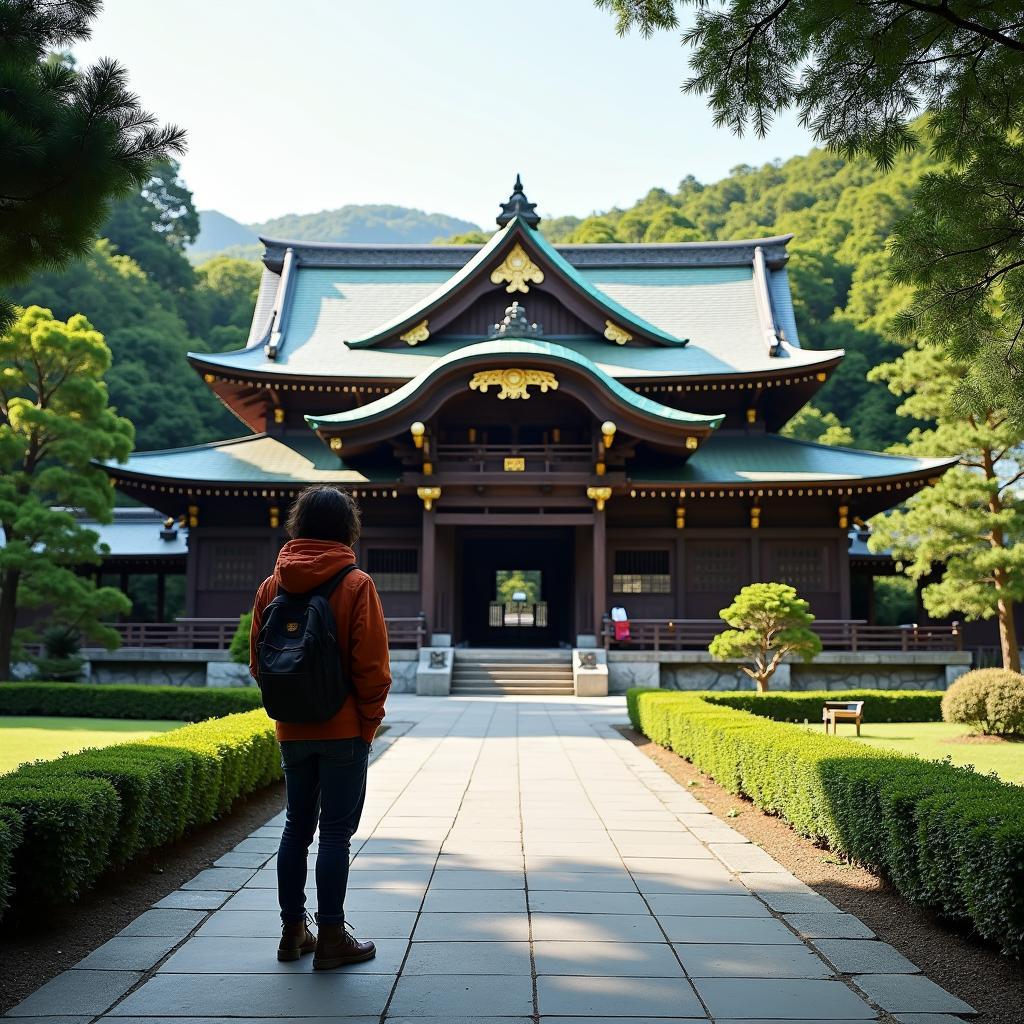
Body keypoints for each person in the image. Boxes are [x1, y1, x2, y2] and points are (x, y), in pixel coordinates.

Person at [249, 484, 391, 969]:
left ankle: (293, 932)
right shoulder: (356, 584)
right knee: (334, 833)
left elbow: (259, 663)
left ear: (299, 525)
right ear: (346, 528)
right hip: (344, 729)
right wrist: (367, 724)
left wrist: (291, 705)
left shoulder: (272, 586)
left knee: (296, 828)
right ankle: (331, 936)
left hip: (292, 728)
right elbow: (372, 668)